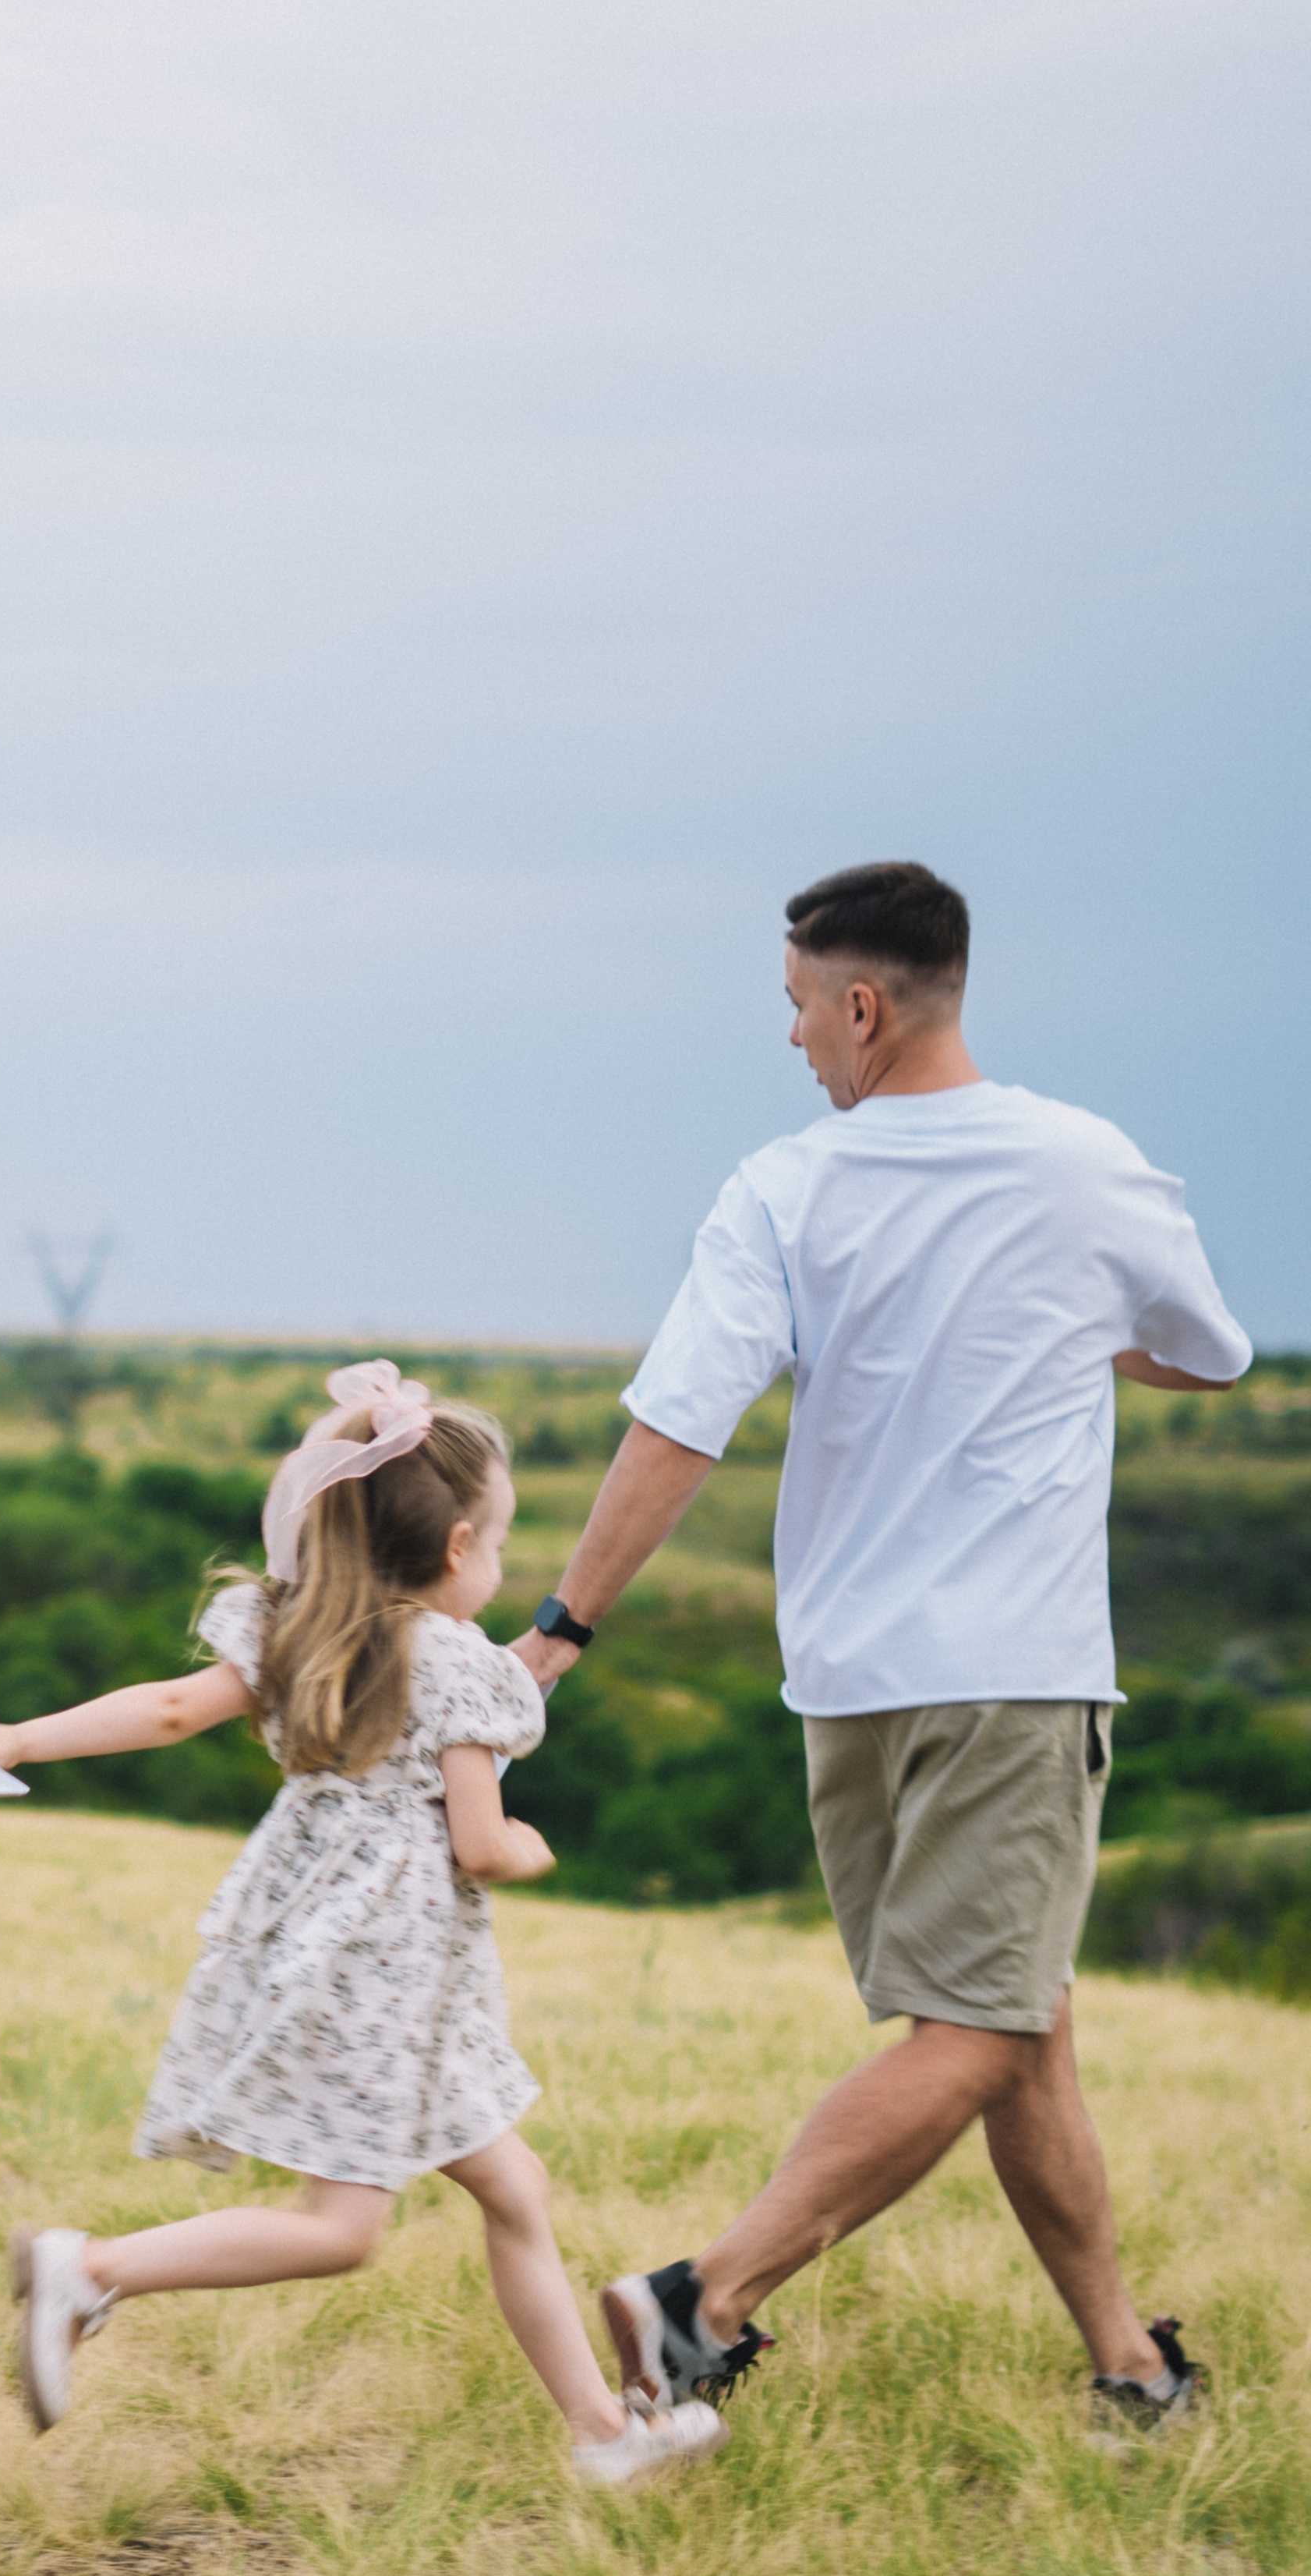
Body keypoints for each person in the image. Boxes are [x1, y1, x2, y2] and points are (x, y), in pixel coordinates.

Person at [514, 862, 1250, 2430]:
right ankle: (697, 2303)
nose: (790, 1041)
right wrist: (1056, 1325)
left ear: (861, 1004)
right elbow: (1205, 1352)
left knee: (1007, 2022)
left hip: (845, 1685)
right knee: (980, 2024)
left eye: (794, 1007)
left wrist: (565, 1622)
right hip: (1014, 1674)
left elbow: (675, 1423)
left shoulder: (782, 1189)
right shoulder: (1083, 1167)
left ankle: (1127, 2368)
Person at [0, 1361, 726, 2487]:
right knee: (342, 2230)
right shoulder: (455, 1666)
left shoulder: (303, 1626)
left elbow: (166, 1709)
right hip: (383, 1975)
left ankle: (603, 2435)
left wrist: (16, 1736)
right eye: (495, 1545)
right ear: (455, 1549)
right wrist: (541, 1850)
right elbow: (484, 1844)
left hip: (352, 1968)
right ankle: (90, 2269)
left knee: (515, 2187)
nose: (496, 1569)